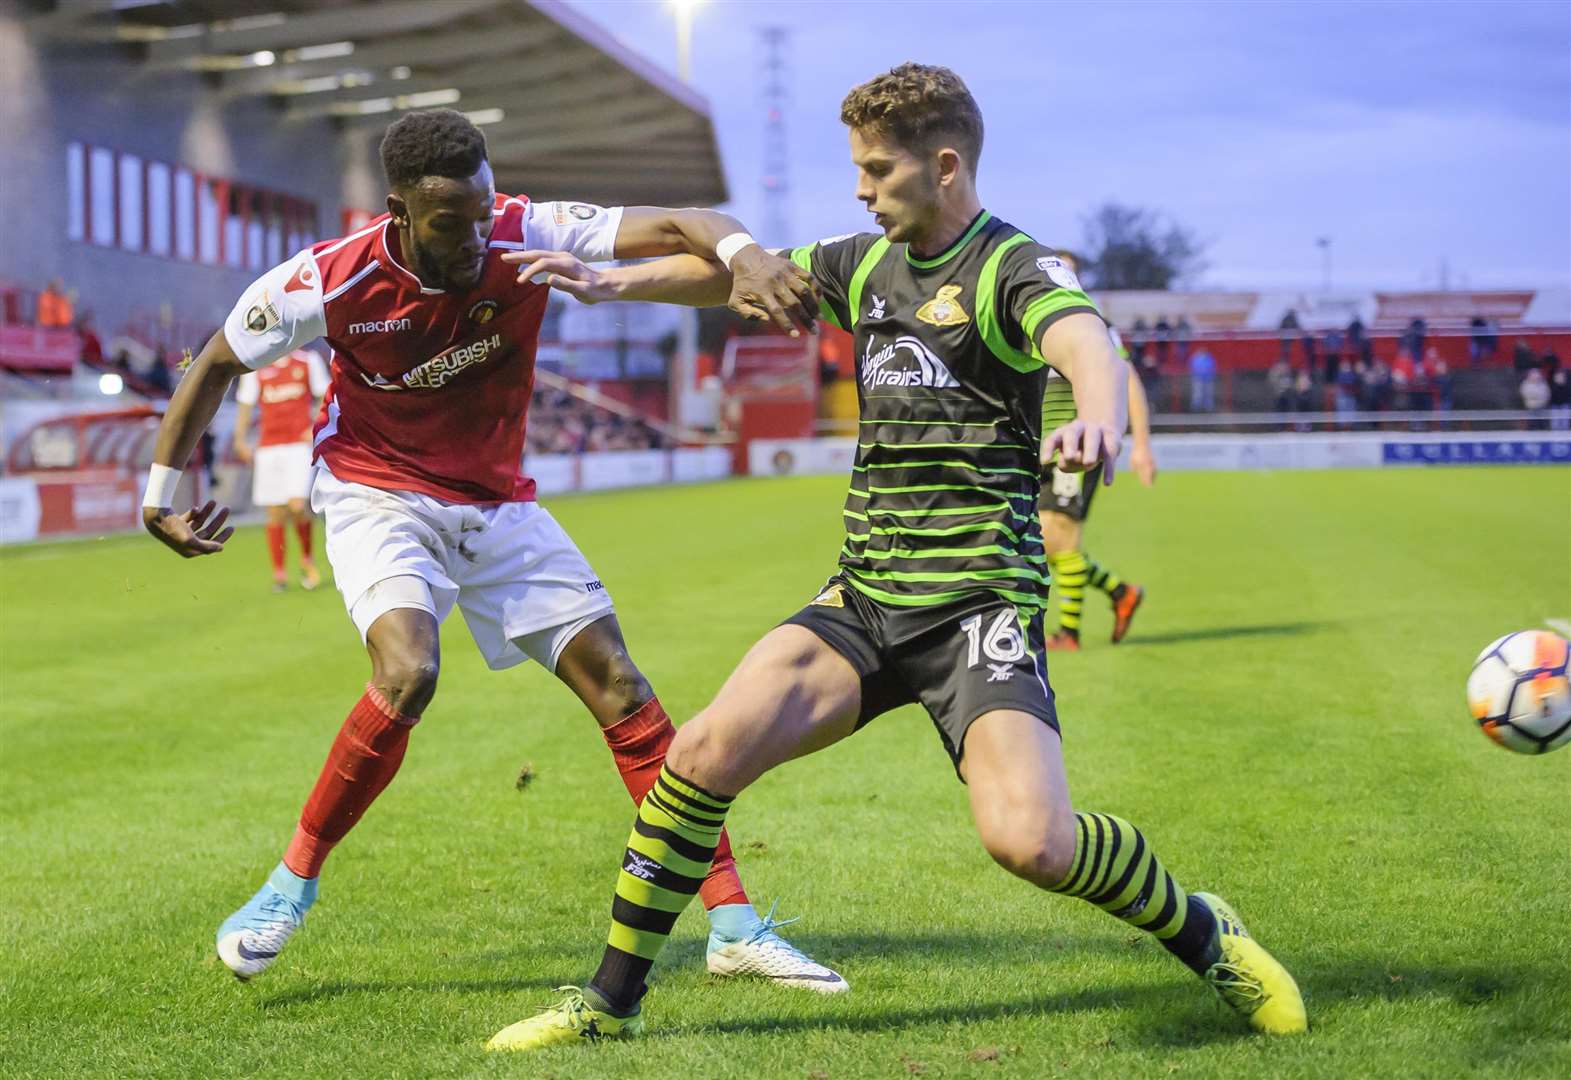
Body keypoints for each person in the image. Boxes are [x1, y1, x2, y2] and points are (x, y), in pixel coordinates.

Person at [486, 61, 1305, 1052]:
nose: (861, 190)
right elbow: (736, 272)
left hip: (975, 608)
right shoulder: (862, 261)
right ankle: (608, 1006)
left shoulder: (1013, 267)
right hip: (864, 597)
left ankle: (1201, 927)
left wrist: (1093, 421)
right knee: (697, 756)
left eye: (876, 171)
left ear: (944, 165)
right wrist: (616, 280)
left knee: (1032, 843)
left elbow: (1087, 342)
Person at [138, 108, 845, 993]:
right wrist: (158, 498)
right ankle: (290, 886)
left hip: (497, 502)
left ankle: (733, 923)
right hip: (376, 491)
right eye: (451, 222)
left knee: (621, 685)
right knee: (408, 672)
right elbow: (212, 362)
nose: (477, 235)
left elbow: (682, 225)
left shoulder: (522, 227)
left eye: (481, 211)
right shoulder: (322, 281)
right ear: (398, 210)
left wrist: (744, 256)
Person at [1036, 251, 1152, 652]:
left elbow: (1127, 379)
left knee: (1057, 541)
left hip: (1076, 447)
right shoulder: (1033, 322)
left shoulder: (1094, 325)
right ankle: (1121, 593)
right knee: (1050, 544)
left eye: (1069, 269)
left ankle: (1069, 633)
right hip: (1040, 451)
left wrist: (1141, 446)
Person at [232, 347, 330, 592]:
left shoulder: (308, 361)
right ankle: (279, 574)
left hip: (298, 445)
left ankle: (307, 560)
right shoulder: (256, 367)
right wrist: (240, 438)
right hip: (269, 447)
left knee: (297, 505)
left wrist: (316, 425)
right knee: (275, 512)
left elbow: (326, 394)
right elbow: (245, 404)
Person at [1188, 343, 1217, 412]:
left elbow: (1212, 367)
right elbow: (1193, 367)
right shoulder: (1195, 358)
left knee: (1208, 393)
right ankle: (1196, 407)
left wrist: (1210, 374)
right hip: (1198, 378)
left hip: (1208, 378)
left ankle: (1208, 407)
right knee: (1198, 392)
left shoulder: (1209, 358)